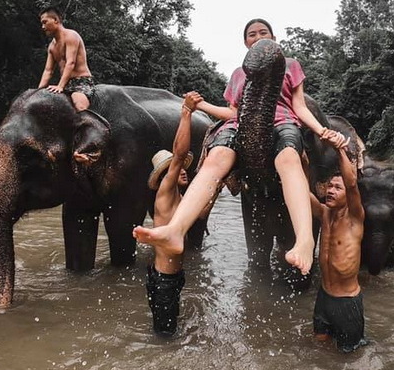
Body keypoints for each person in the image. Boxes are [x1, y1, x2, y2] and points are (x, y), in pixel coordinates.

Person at [134, 18, 342, 275]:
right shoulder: (238, 74)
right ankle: (176, 229)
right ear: (246, 43)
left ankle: (304, 239)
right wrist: (199, 106)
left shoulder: (289, 65)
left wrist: (321, 130)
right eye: (251, 34)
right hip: (242, 124)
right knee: (216, 156)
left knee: (289, 159)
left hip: (281, 123)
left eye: (263, 32)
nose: (257, 37)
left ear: (274, 39)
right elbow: (232, 112)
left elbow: (298, 105)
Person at [145, 91, 202, 336]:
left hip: (173, 277)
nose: (181, 171)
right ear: (164, 175)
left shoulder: (180, 199)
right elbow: (179, 156)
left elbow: (201, 213)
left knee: (168, 332)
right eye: (173, 171)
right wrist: (186, 113)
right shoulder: (165, 192)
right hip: (164, 280)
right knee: (165, 336)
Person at [309, 135, 368, 353]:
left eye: (337, 188)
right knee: (319, 347)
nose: (331, 191)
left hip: (346, 302)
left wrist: (339, 149)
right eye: (330, 186)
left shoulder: (355, 218)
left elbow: (352, 184)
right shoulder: (325, 213)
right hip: (323, 296)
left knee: (349, 355)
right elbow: (303, 193)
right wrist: (298, 161)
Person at [37, 6, 95, 111]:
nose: (43, 27)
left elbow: (70, 63)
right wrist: (37, 92)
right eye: (42, 23)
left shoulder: (71, 36)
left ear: (55, 20)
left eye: (45, 22)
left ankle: (97, 126)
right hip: (66, 84)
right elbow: (48, 71)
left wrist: (60, 86)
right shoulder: (52, 46)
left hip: (81, 82)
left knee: (80, 107)